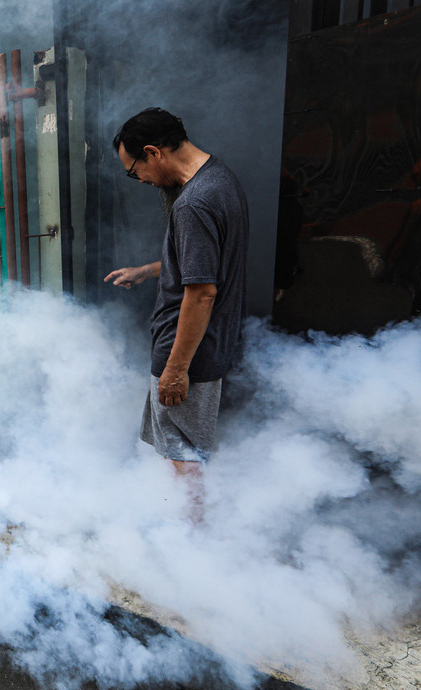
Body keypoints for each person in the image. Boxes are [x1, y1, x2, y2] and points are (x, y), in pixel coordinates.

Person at [103, 108, 249, 524]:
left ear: (153, 153)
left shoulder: (193, 204)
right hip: (209, 344)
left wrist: (175, 370)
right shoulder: (220, 180)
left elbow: (202, 293)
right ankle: (183, 532)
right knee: (181, 451)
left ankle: (190, 545)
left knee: (181, 454)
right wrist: (148, 270)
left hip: (187, 351)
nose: (142, 181)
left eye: (136, 172)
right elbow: (199, 264)